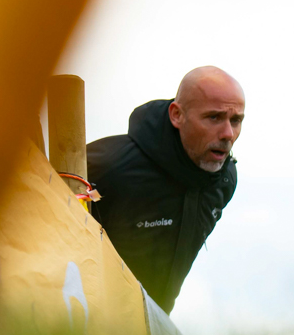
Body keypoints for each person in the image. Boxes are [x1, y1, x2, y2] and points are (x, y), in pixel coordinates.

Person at [87, 66, 244, 313]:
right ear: (176, 115)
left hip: (154, 325)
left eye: (236, 120)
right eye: (213, 117)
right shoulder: (108, 167)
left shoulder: (224, 181)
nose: (228, 134)